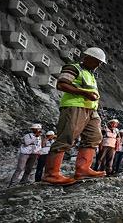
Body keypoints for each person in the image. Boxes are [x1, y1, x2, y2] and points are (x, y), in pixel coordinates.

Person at [43, 47, 107, 185]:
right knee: (67, 137)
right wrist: (84, 93)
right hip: (74, 107)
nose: (99, 65)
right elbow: (61, 85)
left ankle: (83, 169)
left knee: (94, 137)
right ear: (88, 58)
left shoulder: (90, 74)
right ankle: (51, 174)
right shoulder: (73, 68)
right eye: (97, 61)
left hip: (90, 110)